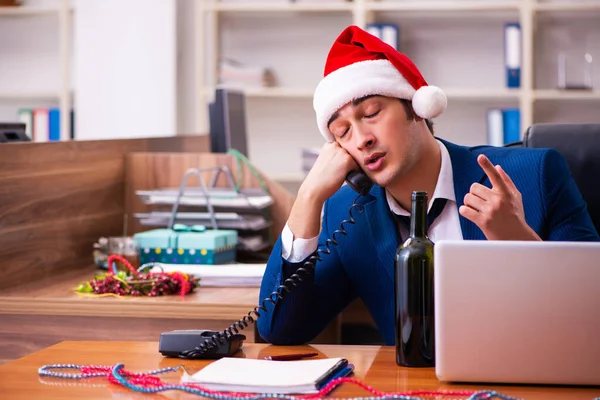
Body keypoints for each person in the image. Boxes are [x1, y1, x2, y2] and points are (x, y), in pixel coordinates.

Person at [256, 25, 599, 346]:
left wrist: (518, 243)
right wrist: (308, 198)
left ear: (417, 108)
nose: (361, 139)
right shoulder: (348, 213)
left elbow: (590, 308)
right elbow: (281, 328)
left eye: (372, 113)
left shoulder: (537, 174)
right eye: (342, 132)